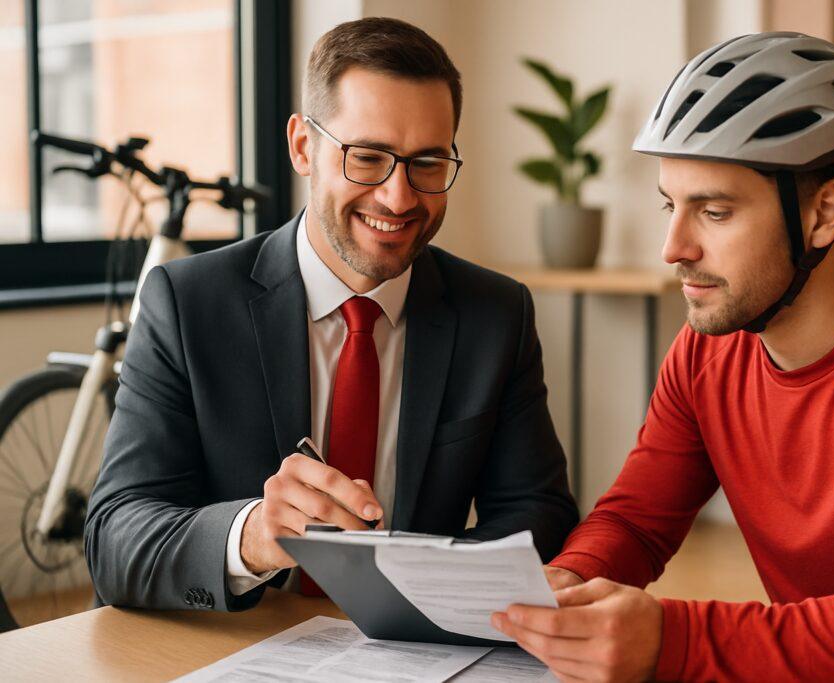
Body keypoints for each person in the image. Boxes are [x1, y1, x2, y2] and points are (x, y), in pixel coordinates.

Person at [492, 32, 834, 682]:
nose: (673, 247)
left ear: (825, 213)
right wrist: (565, 584)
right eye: (671, 206)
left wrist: (672, 640)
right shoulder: (706, 351)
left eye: (714, 211)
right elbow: (636, 519)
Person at [85, 17, 577, 612]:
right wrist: (252, 537)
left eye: (426, 163)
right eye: (367, 157)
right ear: (303, 147)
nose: (399, 198)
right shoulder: (186, 303)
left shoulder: (496, 314)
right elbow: (115, 538)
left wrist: (431, 594)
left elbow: (539, 513)